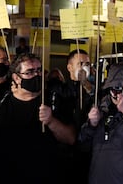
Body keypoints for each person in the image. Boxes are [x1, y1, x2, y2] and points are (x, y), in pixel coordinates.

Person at [0, 53, 76, 183]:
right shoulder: (1, 102)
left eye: (39, 71)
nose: (36, 75)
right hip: (3, 175)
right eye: (29, 72)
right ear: (16, 78)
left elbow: (70, 138)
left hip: (42, 175)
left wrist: (51, 121)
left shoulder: (54, 99)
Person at [48, 49, 95, 184]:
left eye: (88, 63)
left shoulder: (91, 89)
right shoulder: (60, 90)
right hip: (65, 153)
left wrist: (87, 85)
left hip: (87, 151)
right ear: (69, 67)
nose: (85, 67)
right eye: (81, 63)